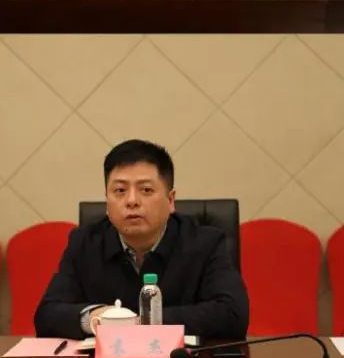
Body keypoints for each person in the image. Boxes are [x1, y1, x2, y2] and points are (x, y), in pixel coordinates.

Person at [34, 139, 249, 340]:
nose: (132, 201)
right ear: (107, 202)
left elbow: (233, 315)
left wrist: (138, 323)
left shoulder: (206, 243)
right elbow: (46, 315)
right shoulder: (84, 243)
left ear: (170, 200)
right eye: (120, 190)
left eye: (146, 190)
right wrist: (93, 317)